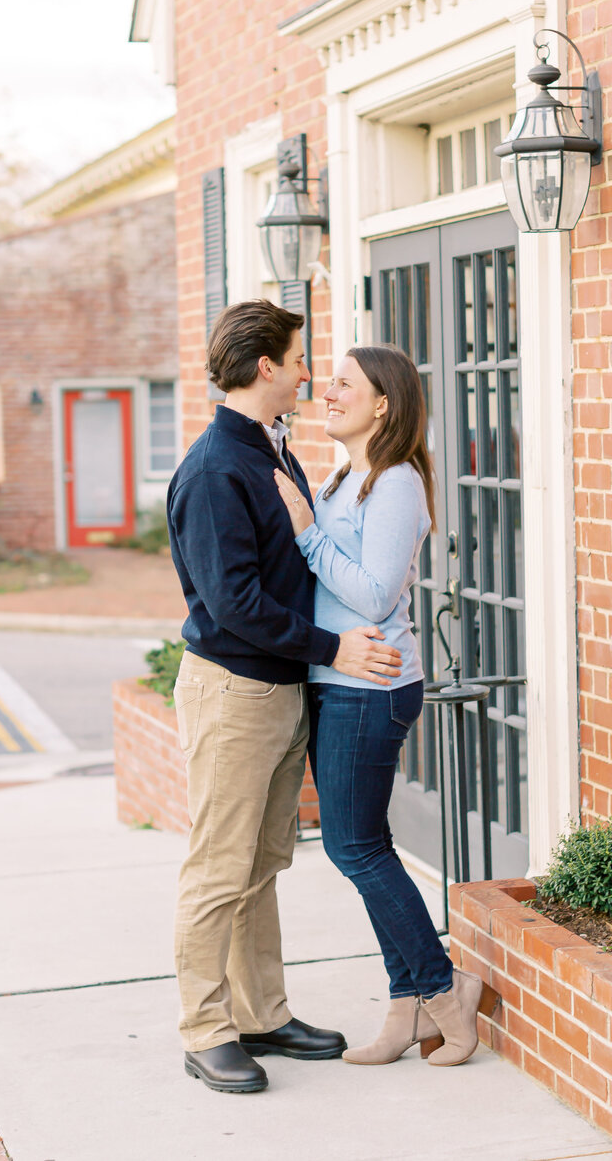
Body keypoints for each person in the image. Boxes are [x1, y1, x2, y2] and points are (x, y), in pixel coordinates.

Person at [166, 300, 403, 1096]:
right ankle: (206, 1030)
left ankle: (262, 1012)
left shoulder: (272, 448)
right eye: (302, 360)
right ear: (266, 366)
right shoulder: (214, 468)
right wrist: (333, 647)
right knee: (218, 869)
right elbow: (233, 602)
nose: (310, 373)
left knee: (262, 863)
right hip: (233, 692)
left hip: (276, 691)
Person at [273, 344, 484, 1068]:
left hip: (374, 687)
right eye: (327, 381)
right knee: (359, 845)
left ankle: (444, 987)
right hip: (338, 680)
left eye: (343, 385)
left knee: (354, 846)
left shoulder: (394, 484)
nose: (326, 392)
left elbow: (373, 594)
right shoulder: (345, 477)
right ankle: (405, 1009)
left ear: (383, 404)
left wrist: (303, 530)